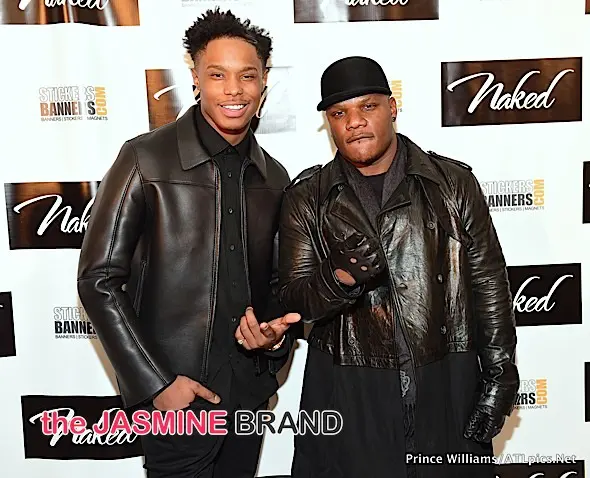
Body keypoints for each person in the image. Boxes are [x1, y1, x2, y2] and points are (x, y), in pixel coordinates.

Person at [77, 8, 301, 478]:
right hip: (176, 400)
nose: (234, 90)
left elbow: (276, 288)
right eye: (218, 75)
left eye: (247, 76)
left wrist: (272, 343)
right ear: (195, 78)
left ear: (264, 83)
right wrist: (157, 385)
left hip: (247, 398)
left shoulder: (275, 178)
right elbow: (98, 279)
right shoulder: (144, 158)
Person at [278, 56, 519, 478]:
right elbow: (293, 301)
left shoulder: (453, 183)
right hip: (349, 387)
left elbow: (488, 284)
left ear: (392, 107)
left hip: (446, 376)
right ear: (329, 123)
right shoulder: (307, 198)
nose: (354, 122)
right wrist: (338, 279)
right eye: (339, 113)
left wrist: (500, 380)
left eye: (367, 107)